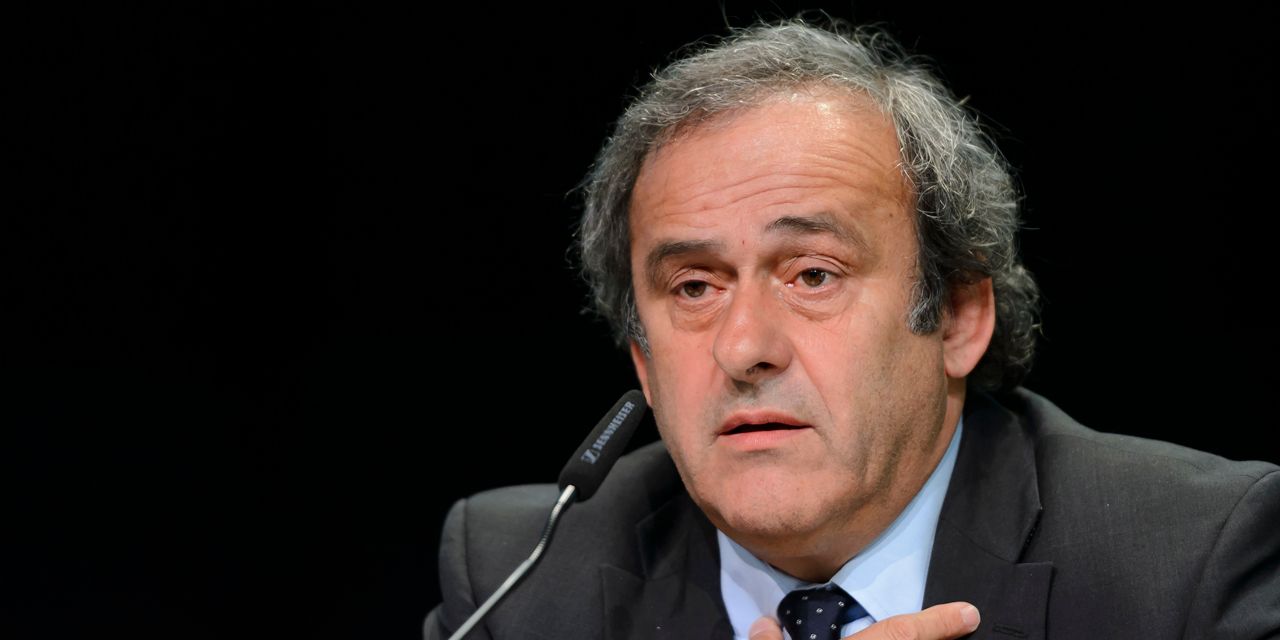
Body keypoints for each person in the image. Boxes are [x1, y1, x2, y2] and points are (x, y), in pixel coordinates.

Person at [424, 19, 1279, 640]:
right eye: (694, 287)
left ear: (958, 317)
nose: (744, 348)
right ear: (642, 361)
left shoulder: (1190, 564)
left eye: (813, 275)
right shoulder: (518, 583)